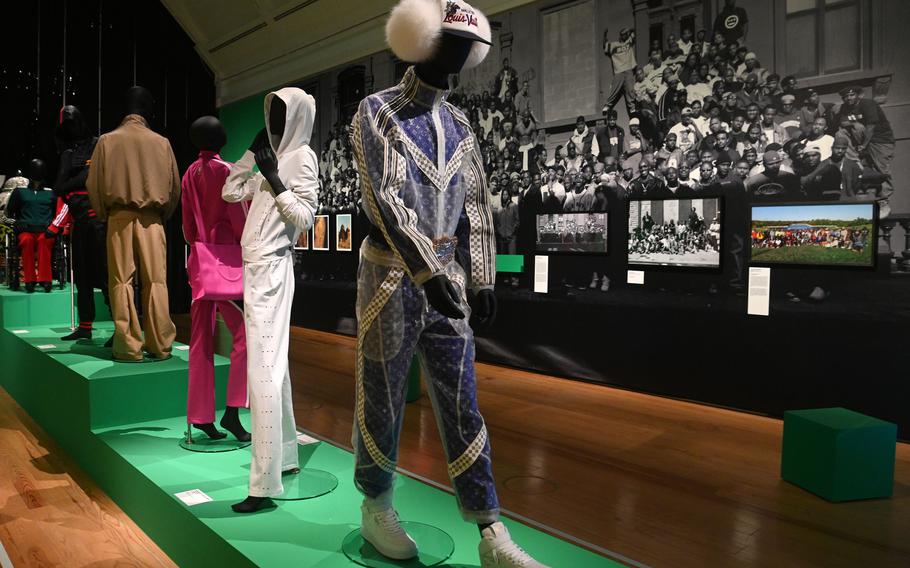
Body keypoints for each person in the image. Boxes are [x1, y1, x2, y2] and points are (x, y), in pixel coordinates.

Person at [357, 2, 548, 565]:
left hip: (448, 279)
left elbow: (480, 207)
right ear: (421, 43)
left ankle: (491, 531)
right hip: (390, 275)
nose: (459, 61)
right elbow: (383, 198)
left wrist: (483, 276)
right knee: (383, 394)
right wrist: (427, 267)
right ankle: (375, 503)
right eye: (451, 47)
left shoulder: (462, 124)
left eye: (467, 50)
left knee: (463, 401)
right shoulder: (377, 111)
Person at [222, 87, 319, 512]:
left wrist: (276, 178)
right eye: (270, 113)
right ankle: (288, 456)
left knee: (262, 370)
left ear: (298, 117)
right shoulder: (272, 155)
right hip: (257, 268)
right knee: (272, 367)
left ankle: (263, 486)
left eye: (281, 115)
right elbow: (230, 191)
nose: (274, 123)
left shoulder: (302, 157)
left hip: (273, 269)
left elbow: (306, 218)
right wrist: (251, 158)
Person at [86, 87, 180, 362]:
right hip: (153, 218)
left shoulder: (106, 141)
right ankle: (160, 344)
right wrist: (162, 215)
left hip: (119, 216)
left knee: (121, 282)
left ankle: (128, 346)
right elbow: (174, 188)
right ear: (146, 108)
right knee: (156, 281)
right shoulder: (161, 142)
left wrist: (105, 212)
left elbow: (95, 184)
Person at [182, 116, 250, 443]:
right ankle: (234, 411)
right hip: (225, 263)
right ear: (220, 138)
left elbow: (186, 227)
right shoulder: (227, 171)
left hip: (199, 262)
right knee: (245, 337)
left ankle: (200, 416)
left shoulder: (188, 174)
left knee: (200, 341)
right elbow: (241, 221)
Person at [53, 105, 110, 339]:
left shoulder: (98, 144)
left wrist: (70, 183)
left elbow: (89, 178)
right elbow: (59, 186)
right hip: (79, 220)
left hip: (98, 220)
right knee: (82, 276)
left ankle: (123, 329)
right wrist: (73, 183)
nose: (70, 126)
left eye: (73, 121)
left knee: (107, 275)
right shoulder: (67, 151)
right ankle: (85, 326)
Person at [7, 159, 61, 294]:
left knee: (45, 241)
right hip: (26, 229)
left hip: (45, 229)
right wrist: (16, 223)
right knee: (26, 241)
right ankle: (29, 280)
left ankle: (45, 279)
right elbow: (8, 213)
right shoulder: (20, 192)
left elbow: (58, 213)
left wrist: (53, 226)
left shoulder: (51, 193)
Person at [835, 86, 895, 206]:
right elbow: (842, 122)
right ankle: (854, 159)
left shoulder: (868, 104)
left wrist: (863, 146)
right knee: (841, 132)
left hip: (880, 140)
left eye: (851, 95)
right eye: (845, 97)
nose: (848, 98)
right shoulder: (845, 107)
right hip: (861, 139)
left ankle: (884, 198)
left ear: (858, 95)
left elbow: (871, 127)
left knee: (882, 169)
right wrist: (853, 123)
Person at [602, 27, 637, 112]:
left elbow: (634, 32)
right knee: (615, 88)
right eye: (622, 34)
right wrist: (604, 35)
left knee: (630, 89)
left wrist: (629, 30)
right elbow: (605, 45)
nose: (624, 36)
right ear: (620, 36)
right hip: (619, 70)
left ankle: (632, 107)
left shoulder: (629, 42)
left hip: (628, 69)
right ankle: (608, 105)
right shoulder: (614, 45)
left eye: (626, 34)